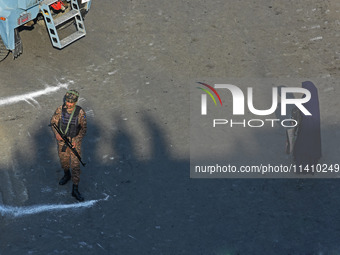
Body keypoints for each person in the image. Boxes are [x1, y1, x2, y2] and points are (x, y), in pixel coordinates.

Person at [51, 90, 87, 201]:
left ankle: (75, 189)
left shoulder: (80, 112)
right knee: (64, 161)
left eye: (71, 102)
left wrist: (76, 140)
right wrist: (57, 134)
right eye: (67, 101)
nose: (69, 104)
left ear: (75, 102)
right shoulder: (60, 109)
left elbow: (83, 129)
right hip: (62, 141)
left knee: (75, 166)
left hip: (74, 142)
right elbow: (53, 122)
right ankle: (67, 175)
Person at [291, 81, 322, 169]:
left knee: (303, 143)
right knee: (312, 143)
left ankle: (302, 163)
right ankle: (312, 160)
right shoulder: (313, 97)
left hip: (307, 123)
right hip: (313, 124)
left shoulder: (307, 97)